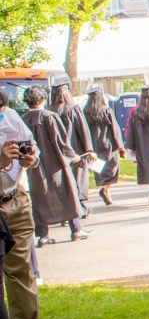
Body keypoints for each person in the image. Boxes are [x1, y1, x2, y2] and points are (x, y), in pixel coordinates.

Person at [1, 90, 59, 319]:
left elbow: (32, 153)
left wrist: (30, 158)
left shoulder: (11, 116)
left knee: (22, 269)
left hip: (15, 197)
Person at [24, 87, 89, 244]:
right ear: (43, 99)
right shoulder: (49, 117)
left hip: (34, 165)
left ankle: (43, 235)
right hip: (55, 163)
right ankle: (76, 229)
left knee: (39, 197)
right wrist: (72, 156)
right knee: (66, 193)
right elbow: (61, 142)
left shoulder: (22, 118)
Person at [49, 84, 95, 217]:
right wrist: (89, 149)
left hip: (58, 152)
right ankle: (78, 209)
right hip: (76, 150)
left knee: (65, 180)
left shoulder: (50, 111)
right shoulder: (74, 109)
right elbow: (83, 130)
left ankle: (70, 210)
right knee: (77, 179)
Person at [82, 87, 126, 206]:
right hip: (108, 145)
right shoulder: (106, 110)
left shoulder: (85, 112)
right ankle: (106, 189)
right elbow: (115, 130)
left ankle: (106, 191)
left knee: (99, 169)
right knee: (112, 168)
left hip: (93, 146)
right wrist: (120, 146)